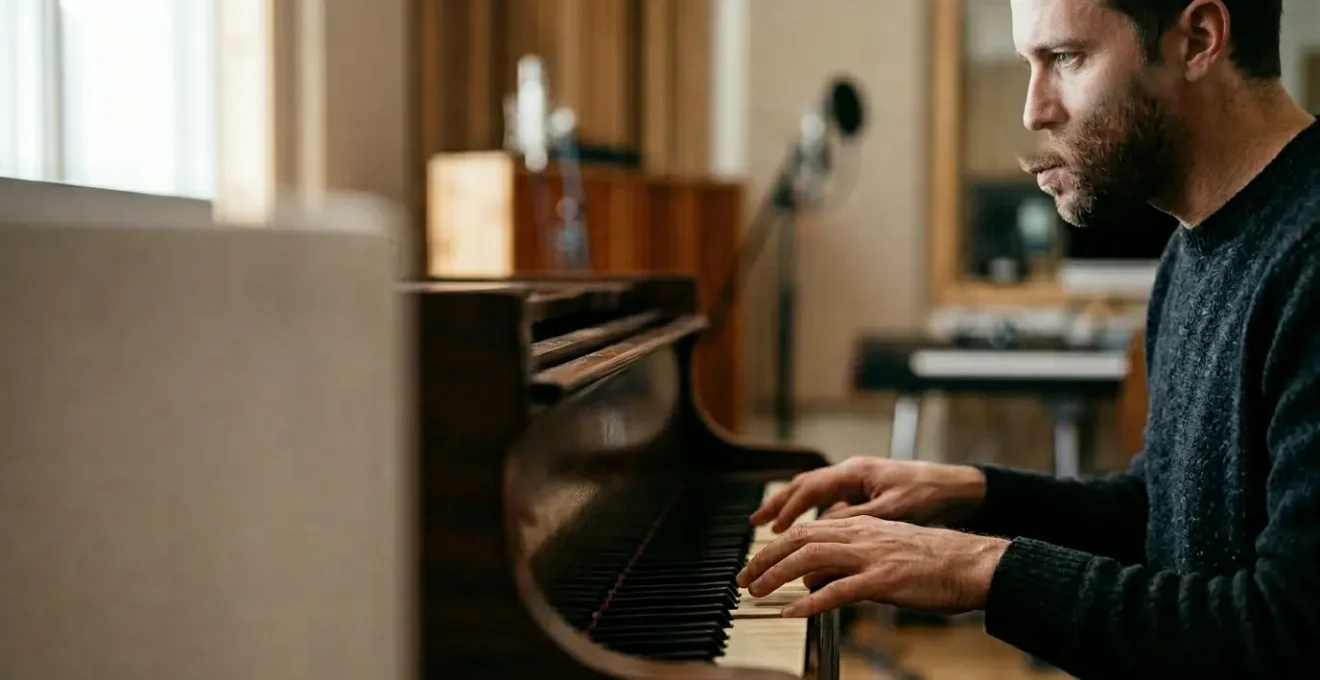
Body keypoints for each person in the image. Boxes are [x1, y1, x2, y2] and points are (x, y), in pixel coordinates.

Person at [734, 0, 1320, 677]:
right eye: (1028, 64)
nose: (1033, 111)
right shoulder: (1192, 250)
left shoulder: (1307, 256)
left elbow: (1282, 633)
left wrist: (978, 568)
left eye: (1065, 58)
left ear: (1197, 40)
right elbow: (1165, 520)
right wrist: (974, 493)